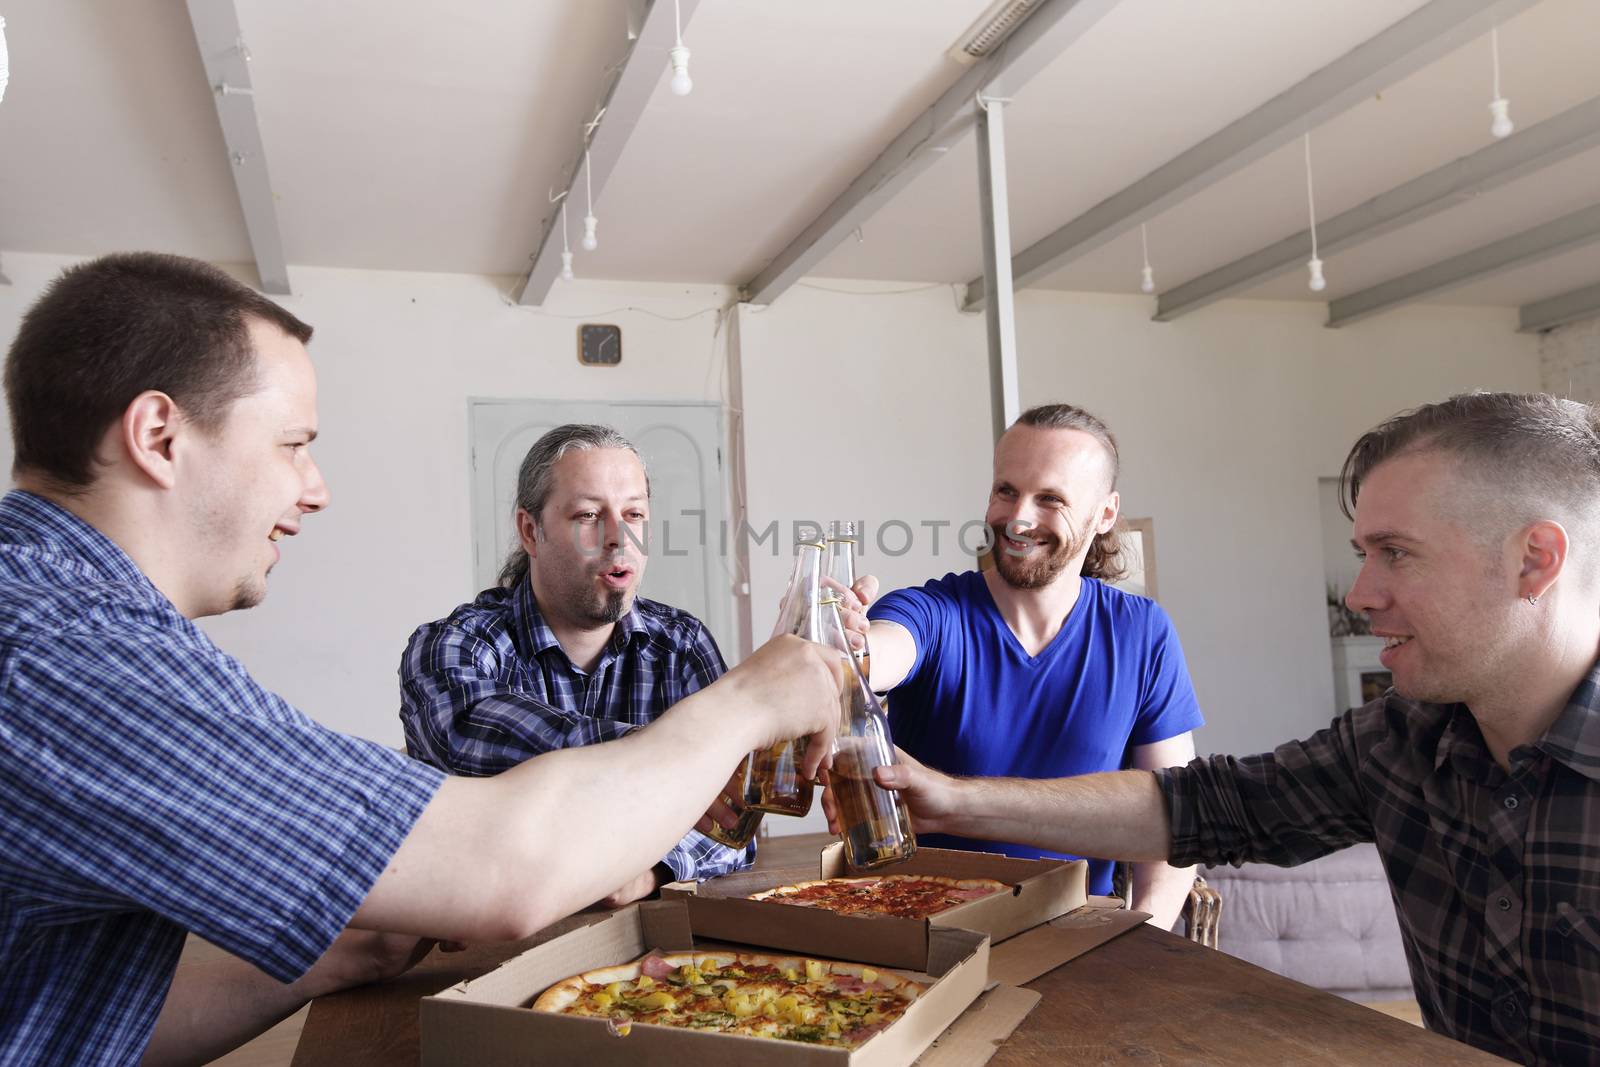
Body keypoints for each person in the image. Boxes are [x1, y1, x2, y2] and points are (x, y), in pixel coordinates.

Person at [0, 252, 841, 1066]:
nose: (315, 486)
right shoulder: (67, 653)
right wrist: (749, 701)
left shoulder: (57, 618)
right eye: (294, 443)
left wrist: (348, 955)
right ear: (158, 434)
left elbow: (72, 1009)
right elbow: (503, 863)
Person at [852, 392, 1600, 1065]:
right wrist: (949, 798)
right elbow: (1195, 807)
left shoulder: (1137, 629)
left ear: (1535, 560)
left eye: (1396, 553)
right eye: (1361, 555)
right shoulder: (1394, 745)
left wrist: (1132, 930)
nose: (1362, 595)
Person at [862, 403, 1203, 928]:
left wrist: (1142, 940)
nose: (1018, 519)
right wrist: (840, 642)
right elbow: (873, 655)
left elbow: (1173, 822)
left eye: (1050, 499)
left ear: (1105, 514)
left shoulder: (1142, 632)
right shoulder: (933, 612)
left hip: (1076, 935)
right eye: (1006, 490)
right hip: (926, 931)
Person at [400, 424, 747, 905]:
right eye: (588, 515)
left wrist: (649, 870)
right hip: (483, 942)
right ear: (530, 531)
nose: (617, 537)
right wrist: (674, 751)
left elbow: (734, 823)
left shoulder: (682, 646)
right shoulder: (451, 647)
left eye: (634, 514)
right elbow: (464, 751)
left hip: (646, 945)